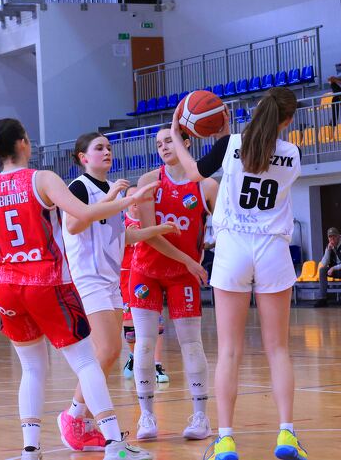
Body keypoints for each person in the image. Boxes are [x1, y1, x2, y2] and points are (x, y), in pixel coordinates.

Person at [0, 118, 154, 460]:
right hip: (45, 280)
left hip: (7, 284)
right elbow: (82, 214)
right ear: (23, 143)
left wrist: (18, 246)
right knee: (87, 362)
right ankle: (114, 444)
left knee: (32, 368)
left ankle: (30, 450)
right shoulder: (42, 179)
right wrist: (127, 200)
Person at [170, 87, 308, 460]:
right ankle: (286, 434)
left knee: (229, 350)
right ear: (287, 120)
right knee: (278, 349)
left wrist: (176, 133)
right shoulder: (293, 153)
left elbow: (193, 172)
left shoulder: (230, 144)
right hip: (272, 249)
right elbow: (261, 152)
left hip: (233, 249)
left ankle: (226, 439)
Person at [59, 132, 178, 451]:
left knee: (110, 353)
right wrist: (115, 197)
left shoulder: (110, 189)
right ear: (83, 157)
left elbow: (120, 236)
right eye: (99, 148)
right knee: (108, 348)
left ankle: (80, 418)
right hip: (87, 278)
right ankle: (74, 417)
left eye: (109, 147)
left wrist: (156, 230)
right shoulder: (79, 187)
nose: (107, 151)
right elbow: (73, 225)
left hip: (110, 280)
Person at [130, 124, 218, 442]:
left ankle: (201, 417)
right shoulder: (149, 182)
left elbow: (224, 226)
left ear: (186, 143)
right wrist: (190, 261)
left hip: (183, 276)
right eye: (159, 144)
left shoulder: (206, 186)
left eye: (169, 141)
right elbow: (151, 236)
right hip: (147, 271)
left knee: (191, 344)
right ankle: (146, 416)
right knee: (144, 343)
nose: (164, 147)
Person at [121, 186, 170, 384]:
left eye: (137, 196)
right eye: (130, 196)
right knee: (129, 323)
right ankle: (134, 356)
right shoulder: (119, 224)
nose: (135, 200)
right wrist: (125, 238)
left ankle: (156, 364)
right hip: (126, 277)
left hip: (148, 276)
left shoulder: (151, 221)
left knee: (156, 322)